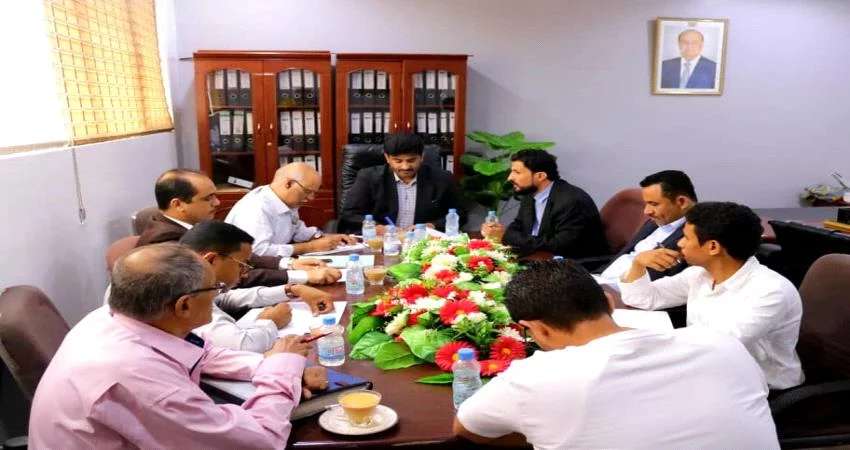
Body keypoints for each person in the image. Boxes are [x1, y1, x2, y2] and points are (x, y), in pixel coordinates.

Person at [454, 260, 780, 449]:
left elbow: (467, 429)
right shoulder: (721, 344)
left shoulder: (534, 378)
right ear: (610, 303)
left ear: (535, 328)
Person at [29, 244, 328, 448]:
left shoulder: (112, 317)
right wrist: (282, 371)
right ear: (184, 305)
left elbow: (202, 352)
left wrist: (272, 365)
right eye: (216, 288)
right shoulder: (138, 377)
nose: (219, 295)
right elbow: (260, 441)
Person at [619, 202, 804, 389]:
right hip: (708, 369)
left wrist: (642, 338)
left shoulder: (772, 291)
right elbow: (643, 298)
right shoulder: (700, 274)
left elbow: (720, 343)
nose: (679, 243)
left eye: (686, 237)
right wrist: (638, 263)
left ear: (713, 247)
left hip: (760, 385)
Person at [138, 169, 339, 286]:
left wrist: (289, 264)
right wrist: (301, 277)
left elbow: (239, 257)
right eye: (208, 198)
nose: (217, 203)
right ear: (178, 204)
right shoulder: (165, 242)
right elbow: (229, 276)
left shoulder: (192, 226)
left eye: (216, 196)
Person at [179, 220, 334, 352]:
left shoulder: (191, 281)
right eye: (242, 265)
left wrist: (290, 289)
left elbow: (223, 298)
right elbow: (244, 345)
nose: (245, 274)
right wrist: (271, 322)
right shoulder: (186, 297)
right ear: (211, 260)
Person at [480, 150, 607, 258]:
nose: (510, 178)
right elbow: (517, 226)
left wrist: (506, 236)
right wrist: (498, 232)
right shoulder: (530, 194)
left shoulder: (572, 201)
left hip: (575, 266)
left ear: (540, 176)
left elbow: (559, 246)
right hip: (538, 258)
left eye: (517, 172)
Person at [338, 133, 464, 233]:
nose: (405, 167)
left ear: (422, 157)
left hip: (423, 242)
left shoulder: (442, 179)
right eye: (398, 161)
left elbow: (460, 213)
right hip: (382, 241)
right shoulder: (369, 177)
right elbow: (349, 214)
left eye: (411, 160)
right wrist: (375, 227)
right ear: (387, 158)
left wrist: (432, 226)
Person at [225, 162, 357, 257]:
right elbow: (258, 252)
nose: (311, 198)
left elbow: (296, 229)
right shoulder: (256, 207)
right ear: (288, 184)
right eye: (307, 191)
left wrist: (323, 237)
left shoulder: (286, 201)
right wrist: (309, 247)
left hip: (275, 264)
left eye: (314, 193)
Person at [594, 170, 697, 288]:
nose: (646, 211)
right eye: (646, 204)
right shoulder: (655, 222)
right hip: (600, 280)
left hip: (626, 291)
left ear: (682, 202)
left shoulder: (696, 235)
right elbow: (625, 254)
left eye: (654, 204)